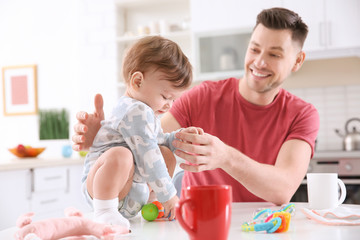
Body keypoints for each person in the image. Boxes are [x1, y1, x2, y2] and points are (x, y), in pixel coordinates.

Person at [73, 8, 319, 206]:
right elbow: (145, 143)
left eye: (274, 55)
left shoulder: (303, 114)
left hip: (260, 224)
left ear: (297, 60)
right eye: (254, 49)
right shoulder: (202, 96)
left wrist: (226, 156)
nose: (259, 62)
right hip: (196, 221)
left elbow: (283, 190)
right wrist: (103, 138)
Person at [80, 35, 201, 228]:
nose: (169, 105)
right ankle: (104, 212)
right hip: (102, 191)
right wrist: (169, 195)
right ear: (137, 81)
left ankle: (152, 203)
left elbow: (157, 141)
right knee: (122, 155)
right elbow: (148, 156)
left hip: (131, 192)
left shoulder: (148, 114)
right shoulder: (135, 110)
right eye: (165, 96)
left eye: (173, 100)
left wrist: (178, 139)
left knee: (165, 153)